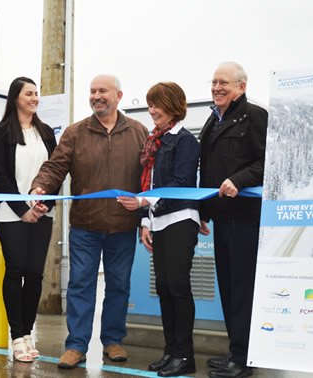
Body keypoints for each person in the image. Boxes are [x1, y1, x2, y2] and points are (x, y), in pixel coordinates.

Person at [30, 74, 148, 369]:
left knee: (119, 285)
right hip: (84, 226)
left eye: (103, 91)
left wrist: (146, 215)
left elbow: (150, 178)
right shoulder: (75, 132)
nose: (97, 95)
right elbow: (55, 167)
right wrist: (40, 186)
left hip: (123, 225)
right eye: (93, 91)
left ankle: (113, 340)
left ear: (119, 96)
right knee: (81, 285)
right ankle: (76, 345)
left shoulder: (139, 132)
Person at [117, 82, 200, 377]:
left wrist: (142, 202)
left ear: (174, 106)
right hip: (159, 221)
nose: (152, 110)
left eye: (158, 105)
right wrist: (145, 220)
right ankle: (171, 352)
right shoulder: (156, 141)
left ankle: (185, 356)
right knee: (165, 288)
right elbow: (148, 183)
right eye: (150, 105)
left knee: (177, 287)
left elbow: (180, 184)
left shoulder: (185, 141)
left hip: (181, 221)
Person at [199, 62, 267, 378]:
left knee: (242, 288)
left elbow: (268, 162)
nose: (216, 88)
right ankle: (236, 349)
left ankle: (243, 358)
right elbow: (208, 172)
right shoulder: (212, 122)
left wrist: (239, 179)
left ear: (241, 86)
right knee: (227, 287)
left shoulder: (255, 116)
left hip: (246, 219)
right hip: (222, 219)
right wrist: (203, 211)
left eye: (223, 82)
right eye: (213, 82)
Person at [0, 77, 57, 363]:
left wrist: (43, 205)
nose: (34, 98)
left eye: (36, 93)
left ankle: (28, 332)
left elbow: (56, 170)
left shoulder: (45, 132)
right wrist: (23, 209)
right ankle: (16, 336)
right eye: (29, 93)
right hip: (11, 213)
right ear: (16, 97)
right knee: (15, 270)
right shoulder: (1, 132)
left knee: (35, 274)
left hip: (43, 213)